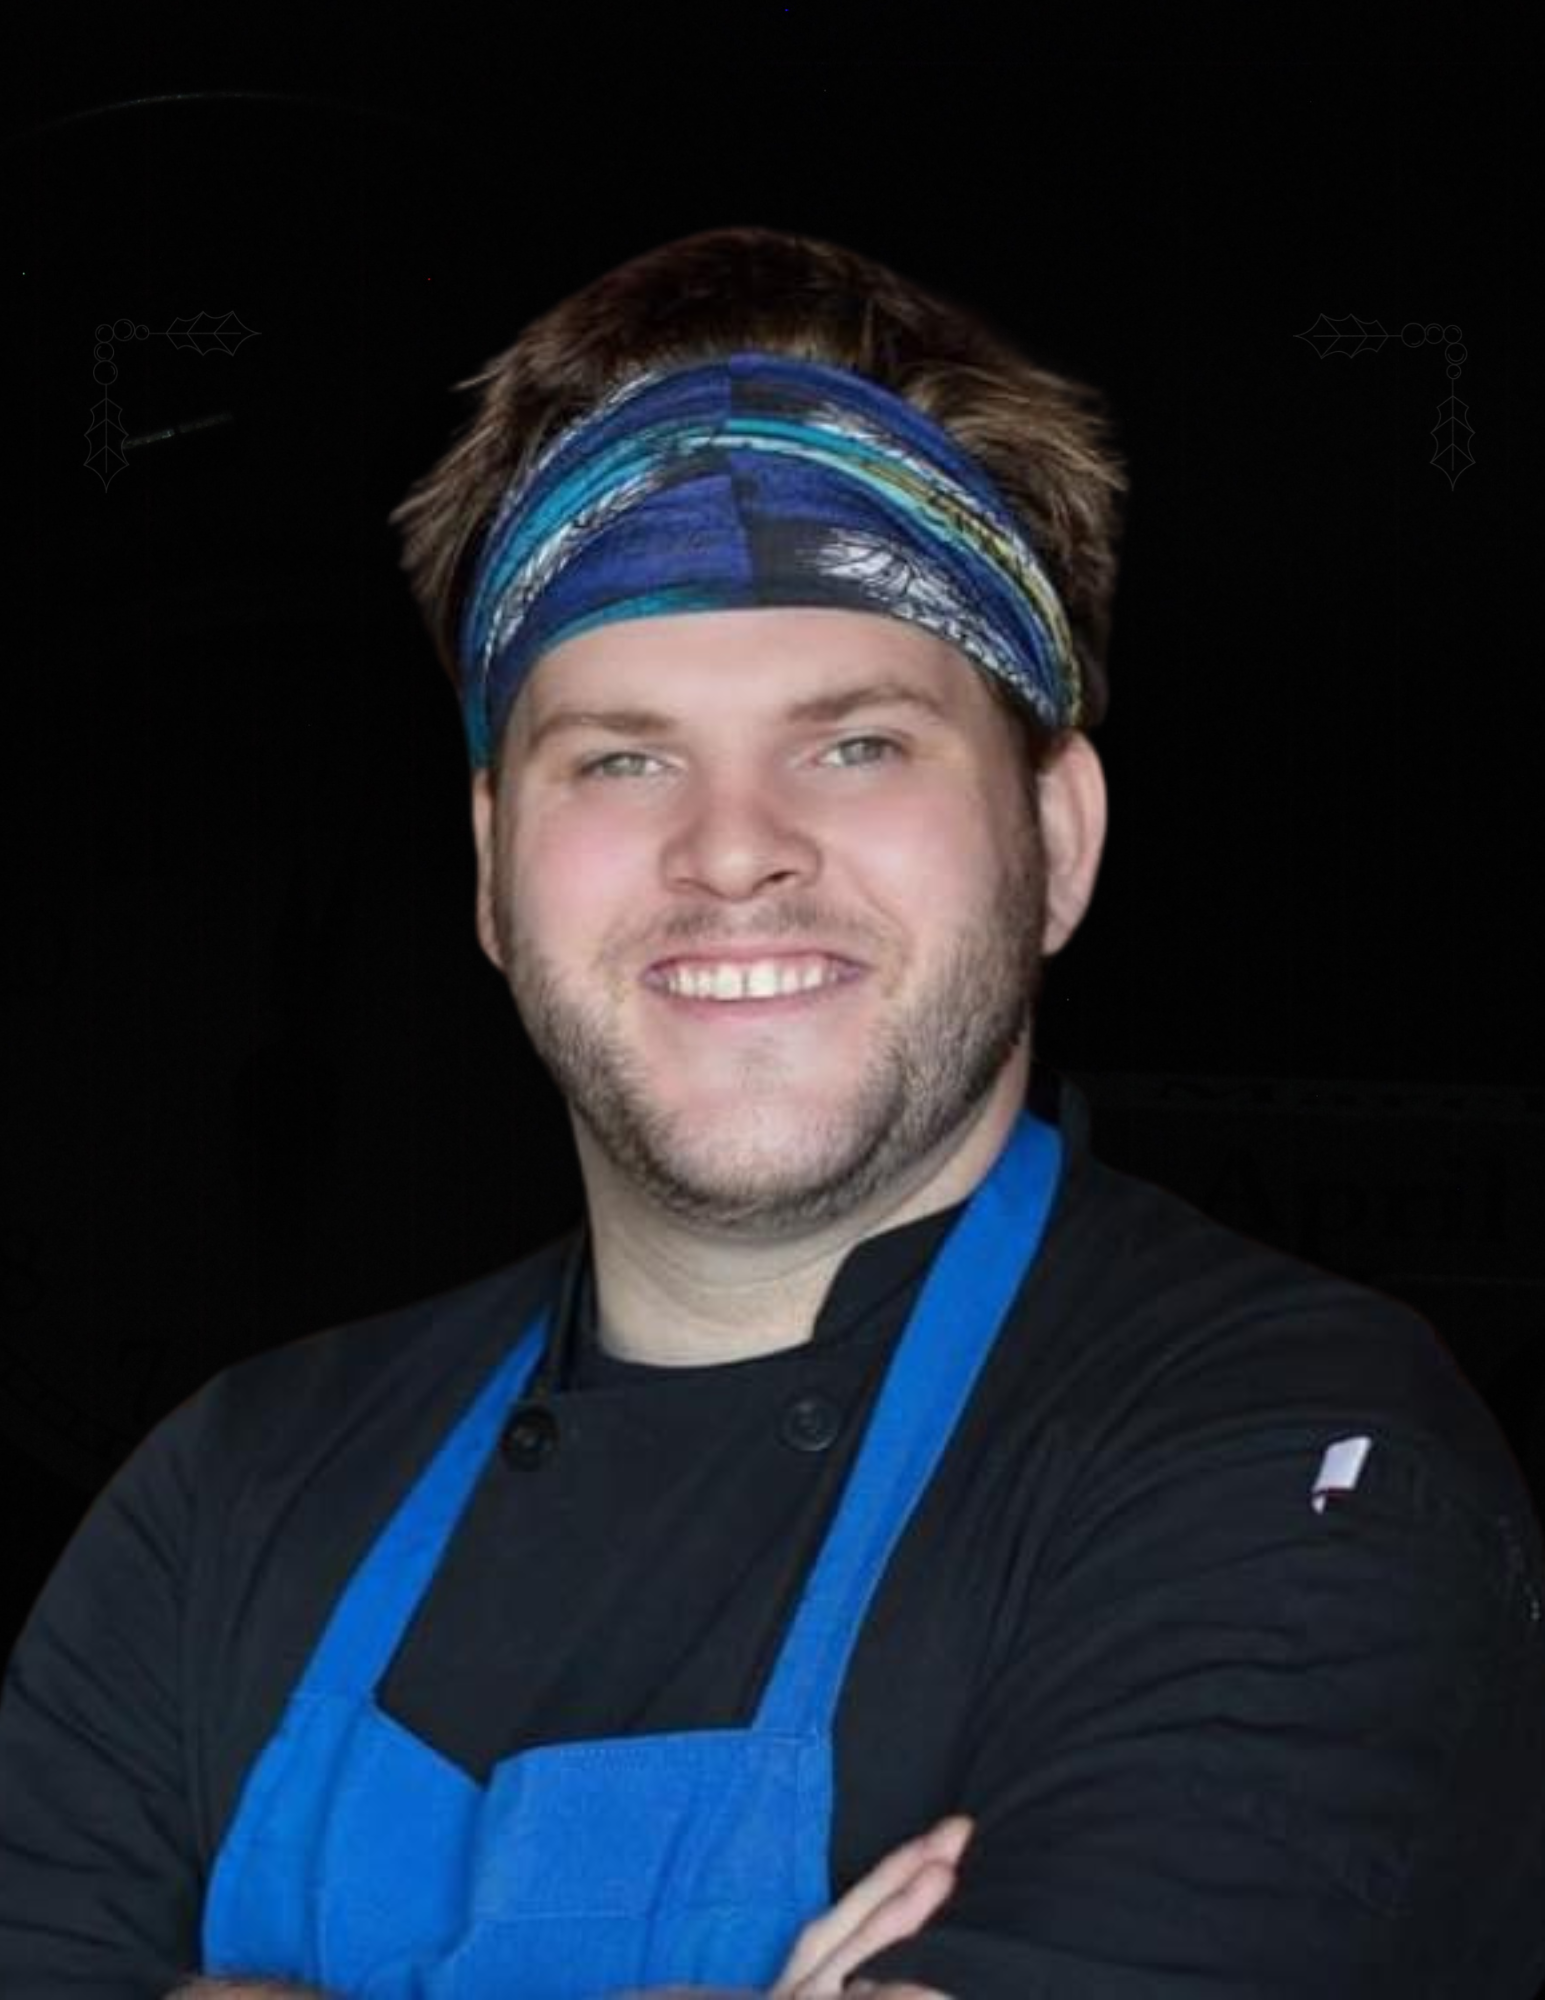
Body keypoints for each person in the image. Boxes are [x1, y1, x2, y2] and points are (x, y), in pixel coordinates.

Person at [3, 224, 1545, 2000]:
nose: (733, 848)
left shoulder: (1296, 1470)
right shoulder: (229, 1499)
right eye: (624, 757)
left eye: (857, 741)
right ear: (497, 871)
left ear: (1057, 840)